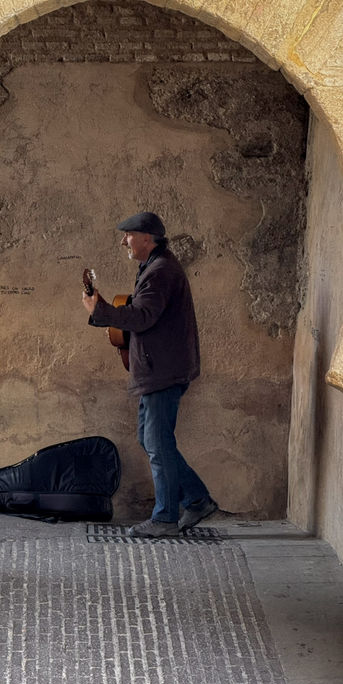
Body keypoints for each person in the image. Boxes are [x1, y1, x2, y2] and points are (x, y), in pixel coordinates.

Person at [82, 211, 218, 537]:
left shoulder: (160, 271)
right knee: (151, 439)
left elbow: (143, 316)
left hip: (163, 372)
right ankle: (197, 500)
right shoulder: (155, 267)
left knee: (157, 444)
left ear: (147, 238)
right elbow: (150, 318)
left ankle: (165, 518)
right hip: (161, 370)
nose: (123, 241)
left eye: (128, 234)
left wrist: (100, 311)